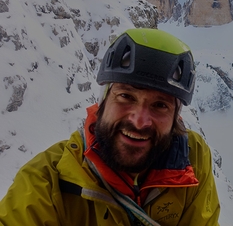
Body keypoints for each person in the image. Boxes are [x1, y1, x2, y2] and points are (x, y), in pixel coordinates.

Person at [0, 28, 220, 226]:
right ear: (103, 102)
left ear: (176, 118)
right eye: (126, 96)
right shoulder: (46, 183)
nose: (139, 121)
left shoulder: (192, 159)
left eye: (160, 105)